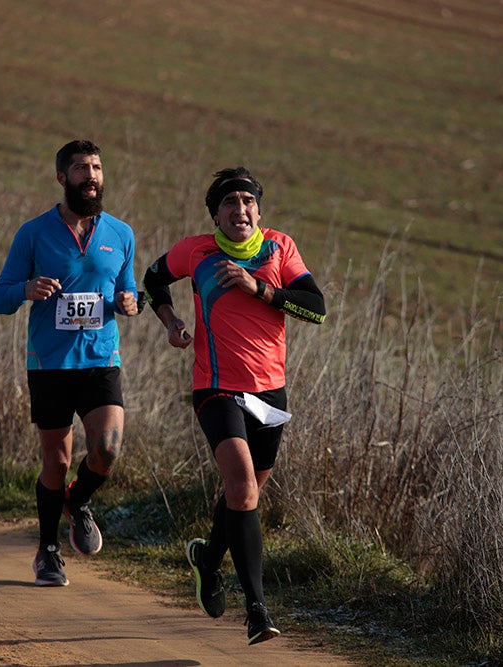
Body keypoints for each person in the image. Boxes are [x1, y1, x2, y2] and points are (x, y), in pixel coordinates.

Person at [142, 167, 326, 644]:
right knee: (242, 489)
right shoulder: (196, 251)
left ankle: (207, 558)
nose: (239, 210)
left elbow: (316, 307)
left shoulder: (280, 248)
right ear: (216, 215)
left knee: (243, 497)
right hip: (216, 388)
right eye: (229, 203)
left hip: (270, 393)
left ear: (259, 211)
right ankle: (257, 611)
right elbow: (152, 278)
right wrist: (170, 320)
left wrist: (259, 289)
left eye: (247, 201)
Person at [0, 139, 139, 587]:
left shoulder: (121, 234)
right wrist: (26, 290)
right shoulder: (32, 233)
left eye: (96, 167)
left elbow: (127, 291)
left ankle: (79, 500)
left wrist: (130, 302)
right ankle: (48, 550)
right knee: (55, 463)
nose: (90, 176)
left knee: (107, 450)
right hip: (50, 364)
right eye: (80, 168)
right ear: (62, 178)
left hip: (100, 360)